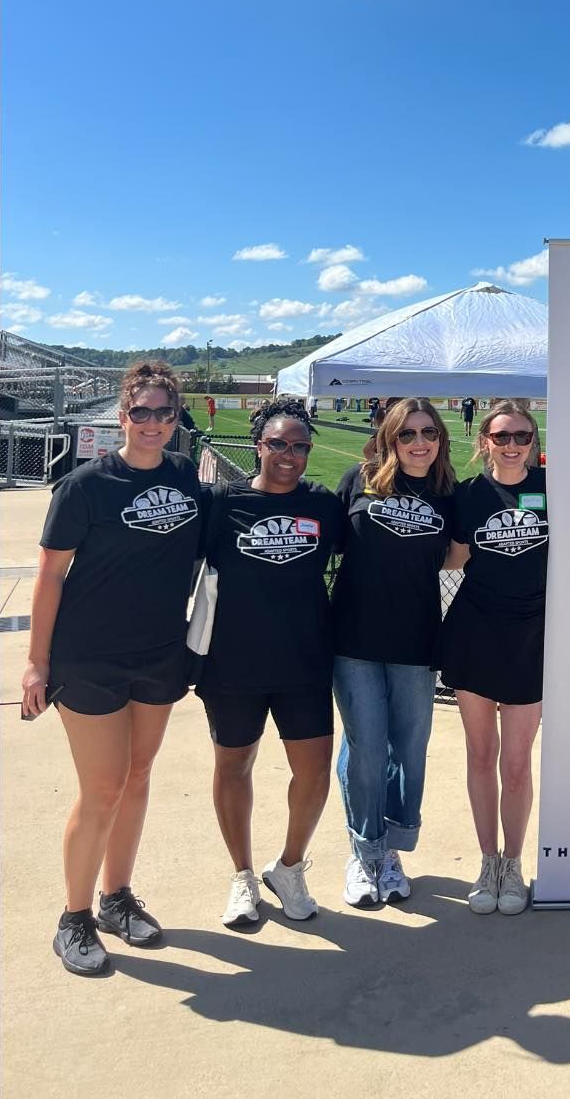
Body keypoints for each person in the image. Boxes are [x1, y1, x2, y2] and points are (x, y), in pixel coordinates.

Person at [22, 361, 201, 976]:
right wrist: (35, 664)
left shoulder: (186, 477)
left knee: (138, 775)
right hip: (90, 655)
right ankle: (72, 917)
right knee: (101, 787)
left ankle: (116, 897)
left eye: (164, 413)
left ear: (177, 421)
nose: (152, 423)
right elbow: (49, 575)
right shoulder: (86, 485)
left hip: (158, 652)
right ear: (123, 416)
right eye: (141, 412)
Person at [196, 397, 344, 927]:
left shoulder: (324, 504)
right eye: (278, 444)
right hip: (232, 662)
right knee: (234, 766)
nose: (288, 455)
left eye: (299, 446)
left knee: (314, 774)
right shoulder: (221, 502)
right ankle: (241, 876)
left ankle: (288, 867)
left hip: (304, 660)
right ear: (258, 444)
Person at [330, 399, 457, 907]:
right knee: (366, 747)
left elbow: (457, 557)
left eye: (429, 433)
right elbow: (325, 547)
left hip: (416, 642)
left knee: (408, 749)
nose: (419, 443)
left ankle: (392, 846)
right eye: (408, 435)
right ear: (390, 439)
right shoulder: (356, 481)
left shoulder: (450, 494)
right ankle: (365, 852)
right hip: (354, 641)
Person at [437, 400, 547, 916]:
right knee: (481, 754)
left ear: (533, 442)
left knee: (518, 760)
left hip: (532, 637)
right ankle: (486, 861)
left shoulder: (554, 491)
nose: (511, 445)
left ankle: (513, 862)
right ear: (485, 440)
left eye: (520, 436)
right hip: (474, 633)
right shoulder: (467, 495)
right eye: (501, 436)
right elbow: (453, 559)